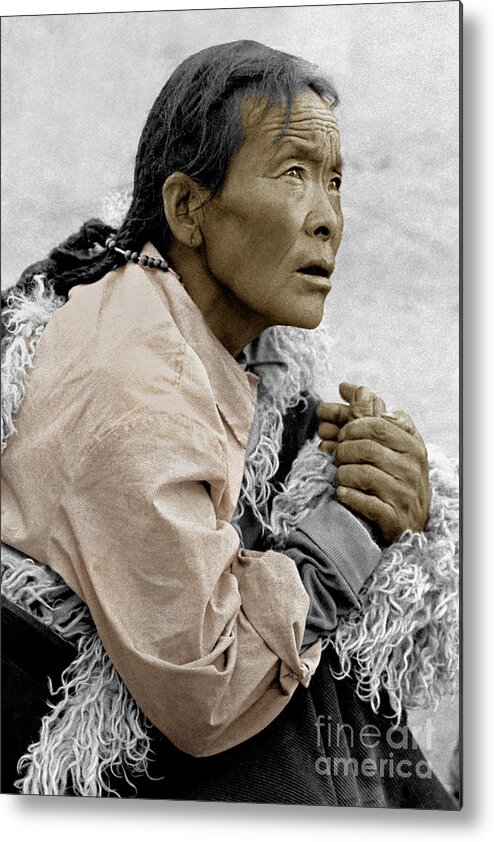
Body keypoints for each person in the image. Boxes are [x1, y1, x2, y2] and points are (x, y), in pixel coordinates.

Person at [1, 40, 458, 806]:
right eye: (292, 173)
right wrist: (356, 524)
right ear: (188, 209)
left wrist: (371, 465)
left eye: (335, 180)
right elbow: (207, 689)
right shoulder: (128, 380)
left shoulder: (241, 350)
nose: (328, 220)